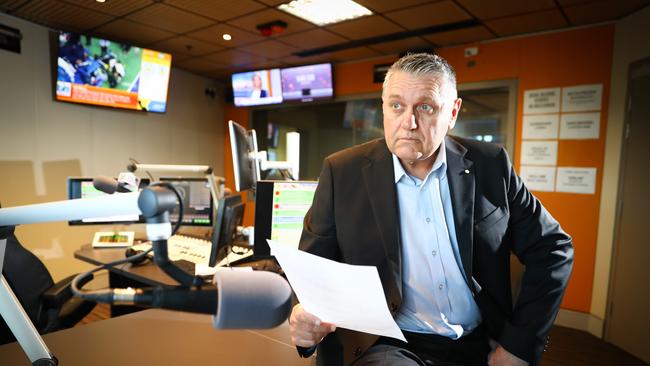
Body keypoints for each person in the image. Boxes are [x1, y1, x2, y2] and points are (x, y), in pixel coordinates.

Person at [288, 53, 573, 366]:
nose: (408, 123)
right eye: (396, 106)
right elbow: (314, 270)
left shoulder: (491, 166)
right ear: (383, 107)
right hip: (389, 342)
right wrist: (305, 316)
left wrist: (519, 347)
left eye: (425, 107)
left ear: (452, 113)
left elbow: (553, 248)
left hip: (480, 341)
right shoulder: (342, 172)